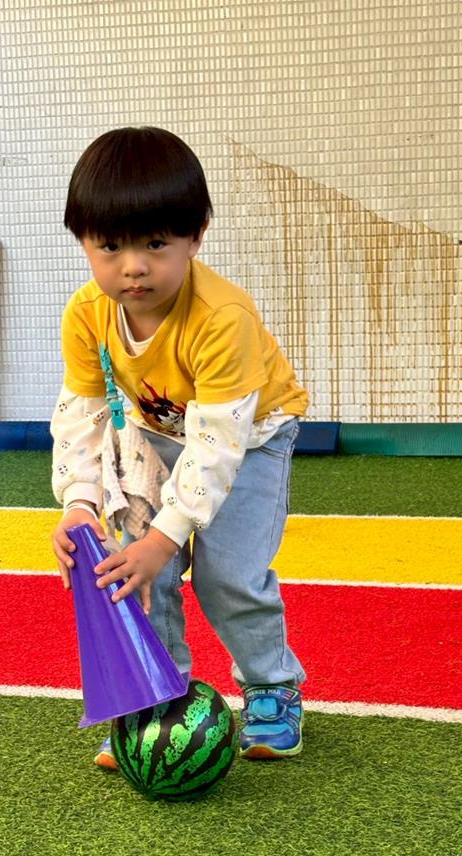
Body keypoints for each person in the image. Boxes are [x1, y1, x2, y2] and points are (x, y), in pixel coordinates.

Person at [50, 126, 309, 768]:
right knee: (138, 572)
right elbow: (83, 414)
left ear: (197, 236)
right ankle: (157, 696)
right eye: (110, 246)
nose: (133, 266)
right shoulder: (86, 313)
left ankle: (272, 686)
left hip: (251, 440)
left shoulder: (222, 318)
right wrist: (79, 503)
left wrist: (166, 536)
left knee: (227, 576)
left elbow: (217, 446)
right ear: (83, 241)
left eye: (156, 244)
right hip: (158, 436)